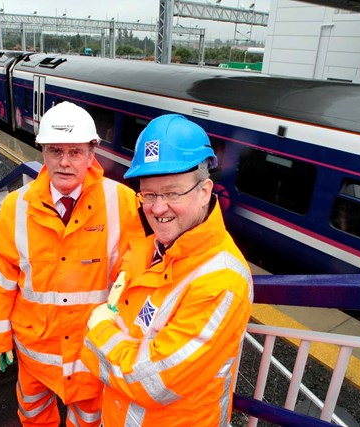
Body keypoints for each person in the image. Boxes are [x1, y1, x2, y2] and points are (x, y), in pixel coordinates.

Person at [81, 114, 254, 426]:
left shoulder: (222, 282)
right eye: (149, 194)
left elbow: (153, 383)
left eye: (172, 193)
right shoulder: (149, 249)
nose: (157, 208)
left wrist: (98, 331)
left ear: (205, 191)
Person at [0, 101, 144, 426]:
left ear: (91, 152)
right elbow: (0, 276)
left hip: (91, 352)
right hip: (34, 351)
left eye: (75, 152)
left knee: (88, 420)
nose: (64, 162)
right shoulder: (16, 207)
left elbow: (138, 273)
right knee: (33, 414)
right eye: (55, 150)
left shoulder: (123, 203)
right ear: (42, 151)